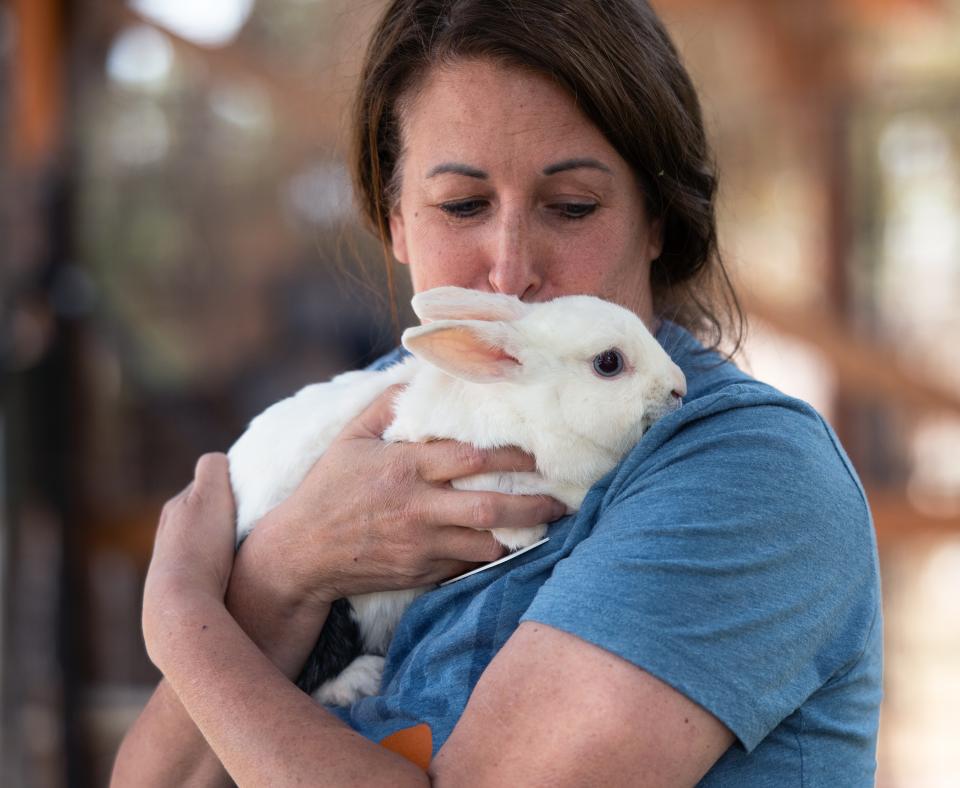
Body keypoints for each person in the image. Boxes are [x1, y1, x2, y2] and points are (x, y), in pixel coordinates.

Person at [111, 0, 882, 785]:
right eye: (462, 206)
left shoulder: (743, 475)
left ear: (657, 219)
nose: (511, 269)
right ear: (396, 220)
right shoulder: (371, 416)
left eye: (573, 206)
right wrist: (282, 574)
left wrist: (183, 622)